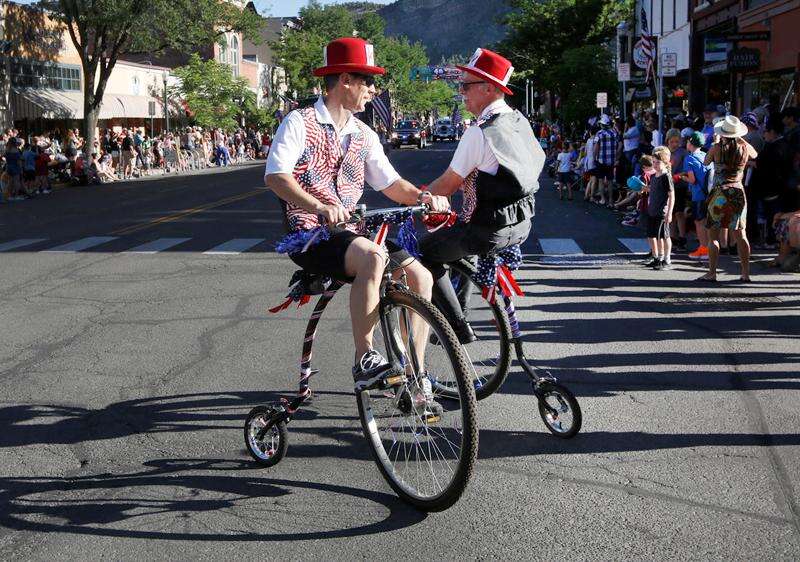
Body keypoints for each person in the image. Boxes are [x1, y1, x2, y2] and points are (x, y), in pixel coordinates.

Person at [264, 37, 449, 395]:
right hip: (312, 234)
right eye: (367, 80)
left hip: (353, 233)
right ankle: (365, 358)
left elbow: (391, 183)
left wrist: (425, 197)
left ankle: (415, 374)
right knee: (373, 255)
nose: (372, 89)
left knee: (421, 277)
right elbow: (276, 175)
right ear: (345, 80)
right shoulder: (299, 122)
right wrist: (318, 206)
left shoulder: (363, 134)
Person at [418, 47, 543, 342]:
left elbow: (447, 184)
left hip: (488, 228)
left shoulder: (479, 131)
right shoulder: (518, 121)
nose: (461, 92)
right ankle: (460, 304)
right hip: (519, 223)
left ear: (489, 88)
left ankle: (455, 326)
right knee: (458, 246)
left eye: (465, 85)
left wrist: (415, 198)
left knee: (424, 252)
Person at [699, 115, 759, 282]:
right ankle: (745, 273)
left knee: (714, 236)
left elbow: (705, 162)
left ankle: (712, 273)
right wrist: (739, 138)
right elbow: (755, 154)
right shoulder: (745, 148)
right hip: (737, 193)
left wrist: (716, 142)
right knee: (741, 235)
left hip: (719, 193)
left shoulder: (716, 148)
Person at [680, 132, 709, 260]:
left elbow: (692, 180)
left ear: (690, 144)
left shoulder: (689, 159)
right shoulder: (705, 155)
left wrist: (683, 177)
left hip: (698, 195)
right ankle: (709, 249)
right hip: (710, 194)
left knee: (699, 222)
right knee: (708, 222)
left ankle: (703, 249)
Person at [644, 146, 675, 270]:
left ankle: (665, 259)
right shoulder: (653, 176)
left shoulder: (666, 176)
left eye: (658, 162)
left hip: (662, 211)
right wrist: (646, 188)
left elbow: (671, 195)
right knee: (651, 235)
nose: (655, 165)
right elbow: (654, 191)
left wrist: (669, 212)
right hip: (652, 210)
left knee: (663, 236)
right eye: (654, 162)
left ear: (665, 163)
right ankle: (656, 258)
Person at [594, 114, 617, 206]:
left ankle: (603, 199)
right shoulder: (614, 133)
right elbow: (619, 146)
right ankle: (611, 200)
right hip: (611, 161)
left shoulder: (599, 134)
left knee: (601, 180)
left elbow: (596, 147)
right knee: (610, 181)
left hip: (601, 160)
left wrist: (594, 157)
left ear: (602, 125)